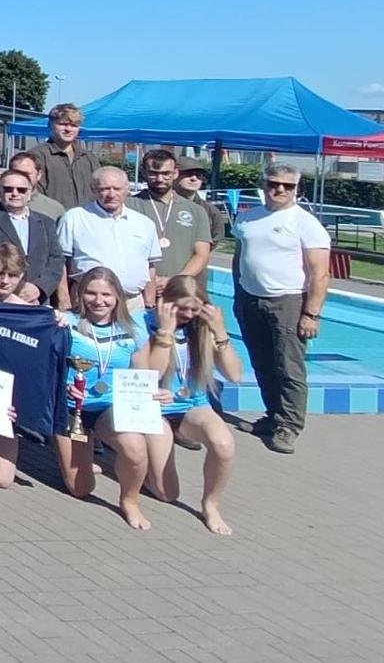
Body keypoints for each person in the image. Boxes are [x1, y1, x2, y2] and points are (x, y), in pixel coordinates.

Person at [231, 163, 329, 454]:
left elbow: (319, 273)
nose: (280, 190)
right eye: (274, 183)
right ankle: (273, 416)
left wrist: (311, 313)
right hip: (251, 300)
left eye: (288, 186)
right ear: (264, 184)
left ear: (297, 189)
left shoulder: (305, 223)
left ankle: (289, 426)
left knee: (289, 368)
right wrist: (239, 296)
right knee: (262, 363)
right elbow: (240, 259)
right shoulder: (248, 218)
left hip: (288, 302)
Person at [133, 275, 242, 534]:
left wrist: (220, 332)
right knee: (166, 493)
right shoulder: (142, 322)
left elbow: (235, 375)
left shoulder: (202, 327)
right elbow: (153, 374)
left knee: (224, 444)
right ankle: (143, 463)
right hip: (154, 408)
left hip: (191, 405)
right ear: (165, 302)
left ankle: (211, 503)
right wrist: (166, 331)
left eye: (195, 310)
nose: (188, 316)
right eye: (181, 309)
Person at [52, 267, 141, 506]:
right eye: (91, 293)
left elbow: (143, 374)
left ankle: (129, 501)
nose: (98, 301)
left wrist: (157, 392)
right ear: (80, 294)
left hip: (107, 408)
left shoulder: (131, 331)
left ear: (117, 298)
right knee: (81, 488)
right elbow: (45, 367)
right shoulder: (64, 323)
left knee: (135, 449)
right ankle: (82, 450)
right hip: (72, 408)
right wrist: (63, 386)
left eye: (106, 295)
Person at [58, 166, 160, 317]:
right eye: (105, 188)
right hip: (90, 302)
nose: (111, 194)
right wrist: (64, 299)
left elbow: (150, 266)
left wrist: (149, 302)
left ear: (127, 190)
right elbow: (60, 263)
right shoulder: (74, 218)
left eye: (117, 188)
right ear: (94, 189)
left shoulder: (145, 223)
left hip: (133, 303)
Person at [0, 169, 64, 304]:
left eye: (21, 190)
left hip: (38, 299)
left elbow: (56, 260)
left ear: (30, 193)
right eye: (8, 189)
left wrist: (39, 288)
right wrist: (18, 288)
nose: (15, 193)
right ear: (0, 192)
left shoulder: (46, 223)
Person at [132, 150, 213, 292]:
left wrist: (175, 281)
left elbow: (201, 254)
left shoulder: (196, 211)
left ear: (175, 173)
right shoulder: (129, 205)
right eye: (153, 173)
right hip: (139, 289)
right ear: (144, 173)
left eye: (166, 173)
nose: (160, 179)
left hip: (180, 290)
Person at [27, 104, 96, 210]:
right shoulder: (36, 156)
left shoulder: (88, 158)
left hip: (85, 222)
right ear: (50, 125)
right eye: (63, 124)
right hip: (51, 220)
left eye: (73, 125)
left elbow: (99, 190)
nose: (68, 129)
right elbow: (33, 194)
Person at [0, 151, 68, 220]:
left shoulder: (54, 209)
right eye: (17, 172)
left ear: (39, 175)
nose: (21, 177)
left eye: (26, 173)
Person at [176, 160, 230, 242]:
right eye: (188, 174)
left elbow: (216, 237)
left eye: (198, 175)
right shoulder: (159, 204)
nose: (194, 178)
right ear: (174, 175)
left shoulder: (211, 211)